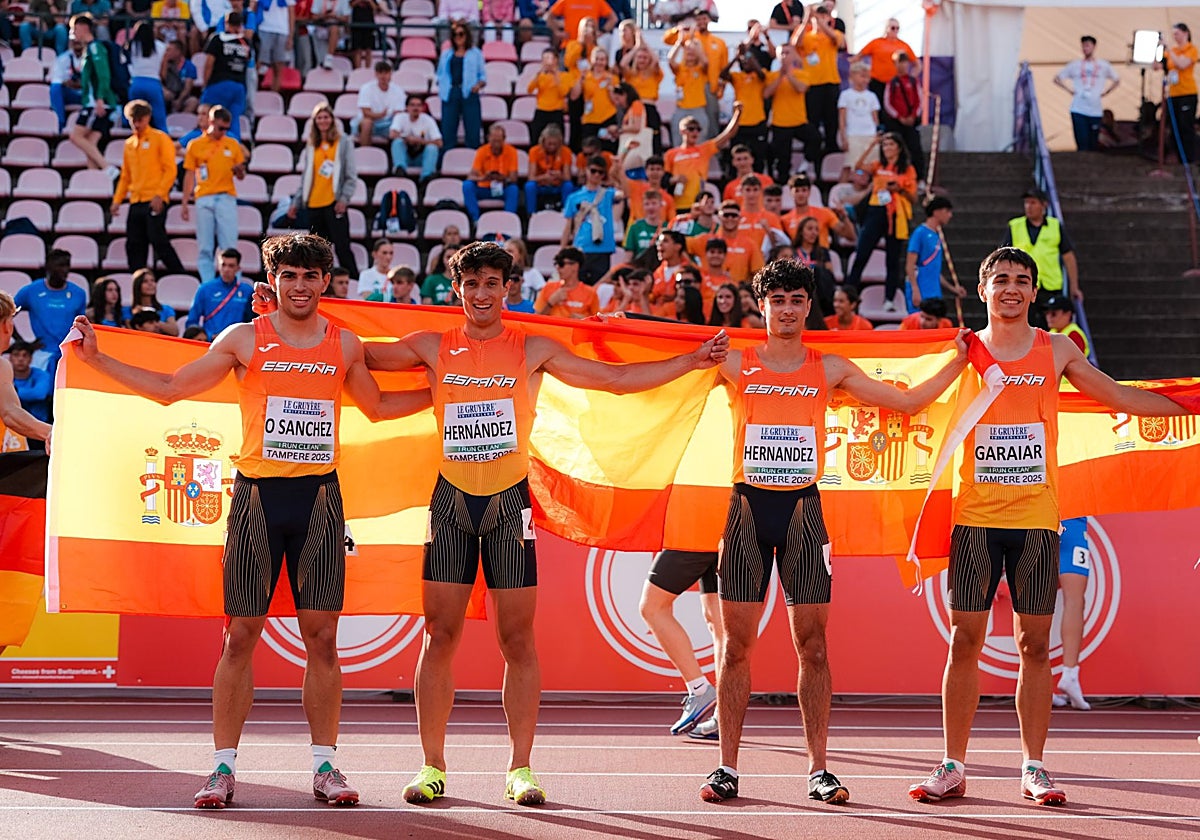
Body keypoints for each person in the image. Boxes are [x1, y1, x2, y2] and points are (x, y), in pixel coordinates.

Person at [359, 240, 727, 808]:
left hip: (509, 507)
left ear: (509, 289)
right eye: (471, 284)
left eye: (492, 284)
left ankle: (520, 767)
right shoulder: (431, 345)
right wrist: (280, 318)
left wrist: (691, 361)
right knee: (440, 635)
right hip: (451, 506)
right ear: (456, 289)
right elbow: (351, 355)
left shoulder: (532, 349)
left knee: (518, 640)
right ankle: (432, 765)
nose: (481, 294)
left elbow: (612, 380)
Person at [71, 233, 433, 810]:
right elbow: (169, 388)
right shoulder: (243, 339)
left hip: (318, 501)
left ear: (326, 281)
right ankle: (222, 768)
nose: (300, 285)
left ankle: (325, 767)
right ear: (275, 279)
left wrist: (448, 392)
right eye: (289, 275)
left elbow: (380, 407)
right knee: (240, 636)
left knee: (322, 639)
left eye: (311, 276)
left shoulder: (343, 344)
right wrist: (95, 359)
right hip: (256, 501)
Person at [907, 247, 1193, 807]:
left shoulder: (1056, 348)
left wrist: (1187, 403)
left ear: (1034, 293)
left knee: (1034, 645)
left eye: (1022, 281)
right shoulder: (964, 349)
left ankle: (1033, 766)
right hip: (974, 522)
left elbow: (1117, 396)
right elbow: (914, 398)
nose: (1012, 289)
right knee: (964, 641)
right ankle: (953, 764)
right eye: (1002, 280)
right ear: (983, 289)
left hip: (1038, 522)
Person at [700, 259, 968, 805]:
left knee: (814, 647)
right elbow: (660, 366)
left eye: (797, 299)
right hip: (746, 512)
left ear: (808, 305)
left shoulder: (829, 368)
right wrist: (618, 327)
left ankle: (818, 770)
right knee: (735, 649)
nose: (788, 309)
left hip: (803, 514)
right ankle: (725, 767)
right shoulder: (734, 363)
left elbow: (910, 402)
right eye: (777, 300)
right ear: (762, 305)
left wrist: (957, 359)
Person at [112, 100, 188, 276]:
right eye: (133, 120)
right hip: (136, 199)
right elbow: (125, 175)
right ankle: (137, 280)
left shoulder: (160, 138)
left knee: (157, 239)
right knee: (134, 243)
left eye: (140, 119)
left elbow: (170, 170)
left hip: (154, 199)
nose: (137, 124)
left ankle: (180, 275)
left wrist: (160, 195)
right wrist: (117, 200)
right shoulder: (129, 144)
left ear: (147, 118)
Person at [844, 133, 918, 311]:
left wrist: (899, 188)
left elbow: (913, 197)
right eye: (884, 146)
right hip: (876, 210)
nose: (887, 148)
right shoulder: (878, 165)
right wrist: (871, 145)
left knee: (892, 259)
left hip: (896, 214)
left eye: (890, 145)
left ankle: (889, 299)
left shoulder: (907, 169)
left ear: (898, 147)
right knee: (862, 253)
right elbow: (858, 166)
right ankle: (848, 294)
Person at [290, 102, 360, 276]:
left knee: (342, 248)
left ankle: (353, 284)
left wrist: (344, 198)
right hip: (314, 203)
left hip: (334, 203)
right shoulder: (312, 144)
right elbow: (307, 176)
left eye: (326, 117)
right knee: (318, 252)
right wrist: (296, 202)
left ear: (332, 119)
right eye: (319, 118)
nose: (323, 121)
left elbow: (351, 175)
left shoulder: (343, 142)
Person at [182, 106, 247, 284]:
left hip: (226, 196)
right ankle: (208, 285)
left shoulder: (232, 144)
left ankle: (233, 285)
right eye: (220, 128)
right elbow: (189, 174)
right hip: (203, 196)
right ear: (210, 122)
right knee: (205, 247)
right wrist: (185, 202)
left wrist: (240, 171)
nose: (223, 132)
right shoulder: (195, 144)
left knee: (229, 245)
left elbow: (241, 175)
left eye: (226, 128)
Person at [1002, 188, 1082, 328]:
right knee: (1026, 325)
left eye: (1033, 203)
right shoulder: (1015, 226)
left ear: (1044, 205)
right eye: (1026, 203)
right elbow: (1003, 255)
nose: (1028, 207)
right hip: (1025, 284)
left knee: (1050, 328)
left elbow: (1068, 257)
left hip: (1050, 285)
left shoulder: (1055, 226)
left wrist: (1074, 287)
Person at [14, 250, 87, 377]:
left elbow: (82, 326)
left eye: (67, 265)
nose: (65, 270)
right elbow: (6, 315)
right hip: (41, 354)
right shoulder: (31, 291)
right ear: (48, 266)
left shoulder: (78, 293)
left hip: (69, 353)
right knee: (42, 394)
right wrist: (22, 342)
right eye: (60, 265)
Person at [68, 13, 121, 178]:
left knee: (76, 136)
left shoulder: (95, 47)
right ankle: (94, 178)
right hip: (99, 101)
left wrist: (99, 98)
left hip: (97, 102)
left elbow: (103, 74)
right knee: (90, 142)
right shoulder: (89, 49)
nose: (72, 33)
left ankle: (108, 169)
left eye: (74, 29)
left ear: (84, 28)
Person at [664, 105, 744, 214]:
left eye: (698, 129)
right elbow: (663, 179)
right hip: (678, 203)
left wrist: (737, 114)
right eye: (691, 129)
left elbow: (727, 135)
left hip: (699, 203)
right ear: (682, 131)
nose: (695, 132)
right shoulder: (671, 154)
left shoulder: (703, 150)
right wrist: (674, 179)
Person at [766, 39, 819, 186]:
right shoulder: (772, 75)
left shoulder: (802, 74)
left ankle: (803, 167)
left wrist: (788, 74)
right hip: (780, 123)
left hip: (799, 121)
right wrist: (780, 76)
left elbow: (801, 88)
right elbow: (766, 93)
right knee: (783, 161)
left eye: (787, 52)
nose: (784, 56)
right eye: (781, 53)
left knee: (815, 138)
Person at [561, 156, 622, 285]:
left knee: (599, 289)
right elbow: (568, 226)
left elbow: (625, 193)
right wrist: (563, 251)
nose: (596, 175)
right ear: (586, 170)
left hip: (603, 248)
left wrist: (618, 171)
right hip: (581, 248)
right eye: (593, 171)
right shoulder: (574, 197)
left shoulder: (608, 194)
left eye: (601, 172)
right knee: (579, 288)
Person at [1053, 36, 1120, 153]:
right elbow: (1057, 78)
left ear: (1094, 47)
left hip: (1095, 110)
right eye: (1083, 45)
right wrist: (1069, 90)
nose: (1085, 48)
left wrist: (1106, 92)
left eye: (1088, 45)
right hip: (1078, 108)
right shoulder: (1075, 65)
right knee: (1082, 143)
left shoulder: (1103, 65)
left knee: (1093, 143)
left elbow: (1117, 80)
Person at [1053, 516, 1091, 711]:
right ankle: (1070, 675)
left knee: (1035, 604)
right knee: (1075, 600)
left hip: (1037, 517)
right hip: (1072, 522)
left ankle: (1037, 680)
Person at [905, 196, 966, 313]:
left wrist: (953, 289)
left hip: (934, 292)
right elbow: (910, 265)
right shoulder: (920, 233)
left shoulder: (937, 236)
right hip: (920, 290)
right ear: (936, 211)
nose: (950, 215)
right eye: (947, 211)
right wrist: (915, 290)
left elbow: (934, 270)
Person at [799, 4, 845, 156]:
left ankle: (831, 147)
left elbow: (838, 41)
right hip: (812, 84)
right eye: (818, 16)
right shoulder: (807, 36)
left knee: (831, 119)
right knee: (812, 120)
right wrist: (807, 18)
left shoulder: (835, 33)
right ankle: (812, 150)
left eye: (824, 16)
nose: (820, 20)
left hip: (830, 81)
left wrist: (823, 23)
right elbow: (795, 43)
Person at [201, 11, 253, 141]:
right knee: (232, 121)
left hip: (219, 83)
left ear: (226, 23)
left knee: (207, 118)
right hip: (239, 87)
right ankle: (234, 150)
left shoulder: (218, 38)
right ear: (241, 25)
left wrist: (205, 83)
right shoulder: (245, 43)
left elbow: (209, 63)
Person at [436, 22, 486, 153]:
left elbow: (483, 76)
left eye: (461, 34)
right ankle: (446, 160)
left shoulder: (476, 53)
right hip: (451, 92)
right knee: (448, 129)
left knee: (472, 129)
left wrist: (477, 85)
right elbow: (441, 73)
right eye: (455, 35)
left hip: (469, 93)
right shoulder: (447, 54)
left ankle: (473, 161)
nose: (458, 37)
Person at [187, 249, 254, 340]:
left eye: (231, 266)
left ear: (238, 268)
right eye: (223, 265)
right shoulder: (205, 289)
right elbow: (191, 322)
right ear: (218, 266)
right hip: (210, 343)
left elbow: (252, 323)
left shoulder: (248, 291)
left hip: (236, 344)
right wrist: (208, 336)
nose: (226, 269)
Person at [853, 17, 917, 105]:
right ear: (886, 28)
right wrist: (863, 74)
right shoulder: (876, 43)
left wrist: (910, 78)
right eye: (892, 28)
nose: (895, 30)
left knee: (895, 107)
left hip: (896, 84)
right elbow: (858, 57)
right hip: (877, 82)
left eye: (897, 28)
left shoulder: (904, 46)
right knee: (876, 107)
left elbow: (917, 64)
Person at [883, 52, 925, 181]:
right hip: (897, 122)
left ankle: (918, 178)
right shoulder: (891, 83)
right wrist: (899, 117)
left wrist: (913, 116)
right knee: (896, 150)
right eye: (899, 62)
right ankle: (895, 176)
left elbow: (920, 100)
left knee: (915, 149)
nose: (902, 65)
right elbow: (887, 102)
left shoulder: (913, 82)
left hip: (911, 122)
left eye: (904, 62)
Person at [1160, 24, 1197, 164]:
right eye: (1173, 34)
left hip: (1187, 92)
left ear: (1186, 33)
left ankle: (1188, 159)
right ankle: (1175, 156)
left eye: (1177, 33)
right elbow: (1158, 65)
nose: (1175, 37)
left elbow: (1182, 64)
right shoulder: (1172, 51)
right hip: (1173, 94)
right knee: (1173, 125)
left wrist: (1168, 49)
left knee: (1185, 125)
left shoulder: (1191, 49)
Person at [837, 63, 880, 181]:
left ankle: (876, 195)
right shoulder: (845, 95)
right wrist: (843, 137)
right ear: (853, 76)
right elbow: (842, 118)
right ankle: (838, 195)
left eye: (867, 77)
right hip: (853, 135)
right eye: (862, 76)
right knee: (850, 166)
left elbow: (875, 118)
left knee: (873, 167)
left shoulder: (872, 96)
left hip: (870, 136)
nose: (865, 80)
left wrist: (877, 134)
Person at [127, 20, 169, 132]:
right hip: (153, 84)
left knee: (134, 116)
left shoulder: (131, 45)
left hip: (136, 83)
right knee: (160, 118)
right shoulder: (161, 47)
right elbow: (163, 72)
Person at [353, 61, 406, 149]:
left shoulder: (398, 90)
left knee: (400, 126)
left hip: (388, 123)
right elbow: (366, 113)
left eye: (386, 73)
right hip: (370, 122)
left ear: (390, 74)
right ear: (376, 74)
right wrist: (380, 115)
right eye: (380, 73)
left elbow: (398, 113)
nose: (383, 76)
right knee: (367, 123)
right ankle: (365, 155)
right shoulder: (366, 88)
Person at [534, 247, 599, 318]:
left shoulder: (590, 293)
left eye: (561, 264)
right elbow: (536, 318)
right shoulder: (548, 287)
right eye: (557, 264)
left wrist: (583, 320)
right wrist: (550, 303)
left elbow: (598, 323)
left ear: (575, 266)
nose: (558, 267)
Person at [390, 95, 443, 181]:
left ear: (422, 108)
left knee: (432, 148)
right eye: (412, 105)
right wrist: (407, 139)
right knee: (397, 142)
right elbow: (392, 134)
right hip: (405, 155)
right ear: (407, 107)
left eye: (418, 105)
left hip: (421, 157)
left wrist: (420, 141)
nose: (415, 108)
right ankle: (400, 170)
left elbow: (439, 143)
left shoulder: (428, 120)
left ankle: (426, 177)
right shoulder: (400, 117)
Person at [527, 49, 572, 148]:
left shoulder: (565, 76)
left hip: (556, 112)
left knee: (558, 142)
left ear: (556, 60)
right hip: (541, 111)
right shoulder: (540, 76)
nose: (547, 61)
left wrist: (555, 75)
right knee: (535, 141)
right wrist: (538, 75)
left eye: (549, 58)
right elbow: (529, 89)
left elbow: (563, 92)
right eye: (544, 58)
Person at [526, 126, 574, 213]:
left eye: (555, 144)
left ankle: (567, 213)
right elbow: (531, 177)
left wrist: (559, 175)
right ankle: (531, 214)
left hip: (557, 184)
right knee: (530, 186)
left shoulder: (566, 151)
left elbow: (567, 177)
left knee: (568, 185)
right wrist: (544, 177)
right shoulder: (534, 151)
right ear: (543, 142)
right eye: (549, 144)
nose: (552, 147)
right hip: (541, 184)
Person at [124, 268, 180, 336]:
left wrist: (150, 317)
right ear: (137, 285)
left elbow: (175, 331)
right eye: (145, 281)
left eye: (152, 280)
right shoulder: (127, 311)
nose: (150, 284)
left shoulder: (166, 309)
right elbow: (131, 333)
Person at [49, 39, 85, 132]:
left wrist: (81, 84)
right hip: (71, 93)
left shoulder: (94, 58)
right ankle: (60, 124)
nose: (77, 43)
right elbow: (57, 80)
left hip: (88, 94)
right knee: (55, 88)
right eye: (74, 41)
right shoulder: (63, 58)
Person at [503, 238, 546, 304]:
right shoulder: (500, 273)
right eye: (504, 251)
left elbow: (544, 291)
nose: (506, 254)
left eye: (510, 251)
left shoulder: (532, 273)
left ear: (520, 254)